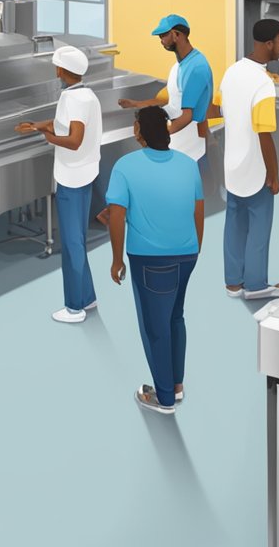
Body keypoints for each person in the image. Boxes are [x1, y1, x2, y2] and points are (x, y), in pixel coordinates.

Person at [104, 106, 204, 415]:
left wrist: (116, 259)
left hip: (149, 259)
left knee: (155, 327)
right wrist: (195, 248)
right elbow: (197, 209)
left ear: (140, 132)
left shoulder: (125, 166)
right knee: (175, 318)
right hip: (187, 253)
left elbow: (117, 217)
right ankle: (176, 385)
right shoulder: (188, 165)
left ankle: (162, 398)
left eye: (135, 125)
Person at [18, 46, 102, 324]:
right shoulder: (86, 95)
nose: (55, 72)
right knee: (78, 238)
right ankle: (87, 297)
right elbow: (63, 124)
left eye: (57, 67)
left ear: (63, 71)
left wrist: (49, 139)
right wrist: (39, 125)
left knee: (72, 243)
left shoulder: (73, 100)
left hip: (71, 178)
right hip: (85, 174)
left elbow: (74, 139)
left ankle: (74, 307)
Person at [216, 18, 279, 300]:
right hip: (255, 167)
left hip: (232, 164)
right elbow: (265, 134)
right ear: (268, 43)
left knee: (234, 223)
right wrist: (274, 174)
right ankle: (256, 285)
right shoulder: (263, 84)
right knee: (259, 227)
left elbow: (221, 109)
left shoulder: (232, 72)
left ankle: (233, 283)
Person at [119, 15, 214, 175]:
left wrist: (157, 135)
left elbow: (187, 116)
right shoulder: (178, 67)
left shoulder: (196, 68)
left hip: (190, 150)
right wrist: (135, 104)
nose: (161, 40)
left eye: (163, 35)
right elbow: (168, 102)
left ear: (177, 34)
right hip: (177, 147)